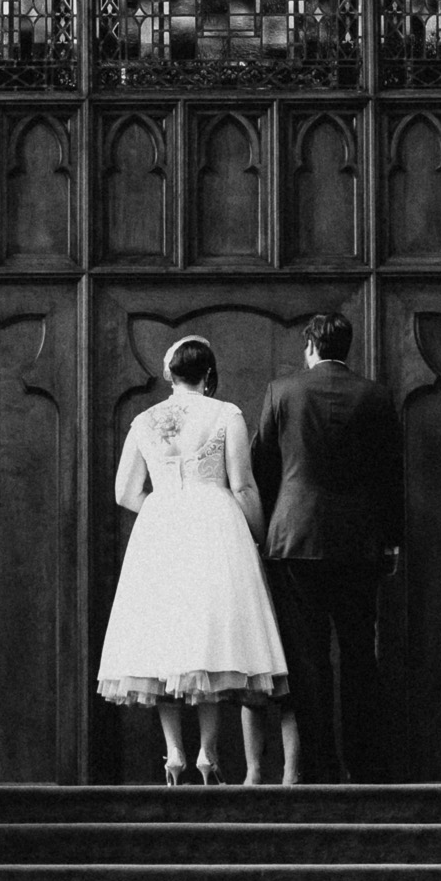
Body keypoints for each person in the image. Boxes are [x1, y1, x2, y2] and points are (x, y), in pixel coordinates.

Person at [95, 335, 298, 787]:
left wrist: (165, 504)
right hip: (215, 524)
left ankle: (173, 754)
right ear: (208, 375)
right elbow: (243, 486)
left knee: (165, 638)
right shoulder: (226, 414)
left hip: (162, 524)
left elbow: (124, 492)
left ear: (170, 375)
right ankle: (208, 755)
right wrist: (259, 536)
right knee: (210, 638)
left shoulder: (145, 420)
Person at [251, 313, 404, 784]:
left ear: (311, 347)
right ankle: (366, 766)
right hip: (360, 542)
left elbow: (262, 465)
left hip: (295, 539)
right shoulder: (376, 396)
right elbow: (390, 474)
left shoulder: (282, 391)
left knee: (306, 658)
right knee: (360, 655)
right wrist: (392, 539)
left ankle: (317, 767)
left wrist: (275, 520)